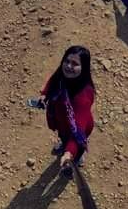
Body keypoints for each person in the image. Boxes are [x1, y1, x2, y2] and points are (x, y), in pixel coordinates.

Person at [39, 46, 96, 175]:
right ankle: (65, 145)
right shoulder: (63, 75)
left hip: (78, 129)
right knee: (64, 137)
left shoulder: (83, 97)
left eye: (75, 64)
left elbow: (78, 132)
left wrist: (69, 152)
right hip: (62, 123)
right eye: (67, 61)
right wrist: (44, 94)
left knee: (77, 147)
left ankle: (76, 157)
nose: (69, 66)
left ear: (83, 68)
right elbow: (53, 79)